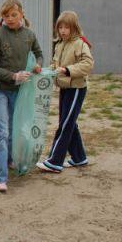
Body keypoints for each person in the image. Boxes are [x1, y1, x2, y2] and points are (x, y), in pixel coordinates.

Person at [0, 0, 43, 192]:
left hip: (21, 91)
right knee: (2, 133)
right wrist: (13, 76)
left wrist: (37, 64)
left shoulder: (29, 34)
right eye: (6, 15)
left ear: (21, 14)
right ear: (2, 16)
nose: (10, 18)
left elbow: (39, 53)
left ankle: (11, 160)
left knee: (17, 130)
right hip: (0, 91)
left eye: (14, 14)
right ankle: (0, 177)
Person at [37, 11, 94, 173]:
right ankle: (79, 158)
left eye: (66, 27)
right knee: (69, 122)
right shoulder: (60, 44)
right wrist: (47, 71)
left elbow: (88, 64)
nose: (63, 30)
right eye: (60, 27)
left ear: (74, 28)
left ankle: (55, 161)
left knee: (65, 124)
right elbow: (56, 66)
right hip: (64, 88)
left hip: (76, 88)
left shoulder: (80, 44)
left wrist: (68, 70)